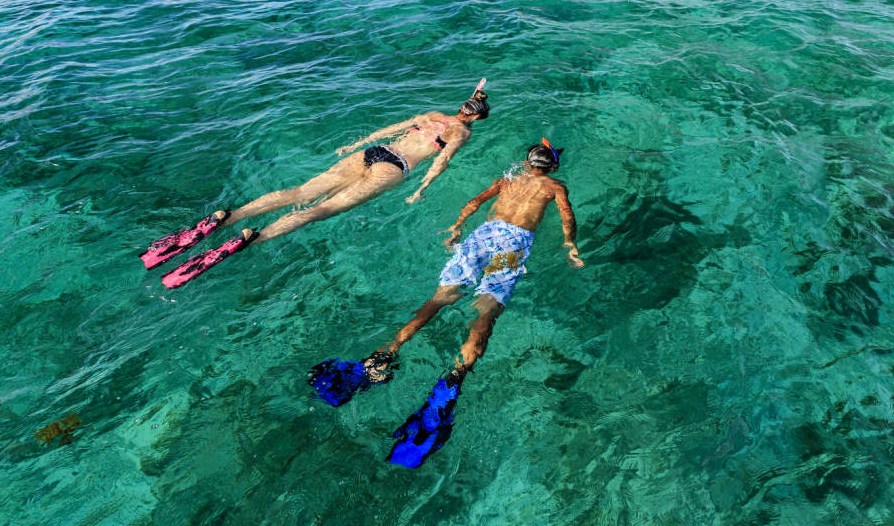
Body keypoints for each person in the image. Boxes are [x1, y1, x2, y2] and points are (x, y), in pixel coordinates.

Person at [142, 84, 490, 288]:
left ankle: (230, 215)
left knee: (299, 194)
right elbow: (442, 160)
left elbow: (389, 128)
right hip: (396, 166)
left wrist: (356, 144)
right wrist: (421, 188)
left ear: (462, 105)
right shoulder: (460, 132)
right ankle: (253, 237)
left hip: (376, 151)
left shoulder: (432, 114)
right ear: (475, 116)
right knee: (319, 210)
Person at [366, 139, 583, 387]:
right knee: (486, 311)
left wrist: (456, 227)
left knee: (439, 298)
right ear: (553, 166)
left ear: (526, 162)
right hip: (514, 242)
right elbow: (566, 215)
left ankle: (388, 350)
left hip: (484, 234)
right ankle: (456, 375)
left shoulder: (507, 180)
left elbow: (474, 203)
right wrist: (570, 243)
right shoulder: (555, 187)